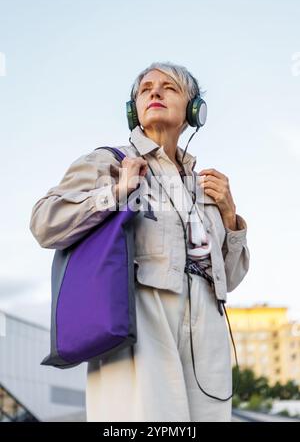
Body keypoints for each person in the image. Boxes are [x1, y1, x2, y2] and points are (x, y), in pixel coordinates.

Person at [29, 61, 250, 422]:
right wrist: (116, 192)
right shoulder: (110, 162)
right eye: (146, 88)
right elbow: (44, 223)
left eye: (170, 87)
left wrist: (229, 216)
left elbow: (230, 279)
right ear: (134, 109)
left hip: (206, 329)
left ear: (194, 110)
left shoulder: (206, 187)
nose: (155, 92)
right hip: (142, 318)